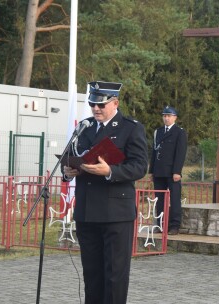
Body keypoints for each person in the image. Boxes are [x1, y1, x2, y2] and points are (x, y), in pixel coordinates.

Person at [62, 81, 148, 303]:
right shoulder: (84, 127)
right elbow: (68, 157)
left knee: (114, 275)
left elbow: (140, 167)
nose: (95, 109)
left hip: (115, 213)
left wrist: (110, 171)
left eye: (101, 105)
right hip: (87, 212)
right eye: (92, 104)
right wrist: (68, 171)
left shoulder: (131, 128)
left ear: (115, 103)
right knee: (91, 274)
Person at [148, 106, 187, 235]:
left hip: (172, 172)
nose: (166, 118)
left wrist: (177, 171)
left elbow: (180, 153)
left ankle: (174, 226)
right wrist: (151, 171)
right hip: (159, 171)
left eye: (169, 116)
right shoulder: (158, 132)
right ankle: (160, 224)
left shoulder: (179, 132)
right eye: (164, 116)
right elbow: (154, 151)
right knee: (159, 199)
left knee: (175, 199)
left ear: (175, 117)